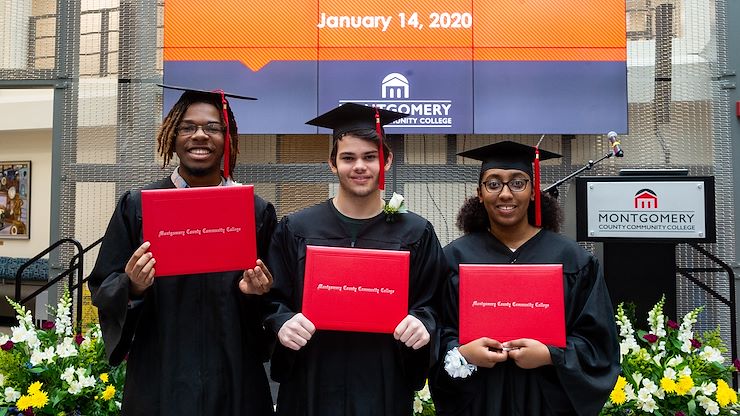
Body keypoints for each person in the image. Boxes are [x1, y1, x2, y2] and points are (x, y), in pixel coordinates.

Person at [88, 86, 277, 415]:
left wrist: (257, 292)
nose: (200, 136)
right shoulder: (138, 207)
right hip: (161, 375)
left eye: (212, 128)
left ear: (227, 137)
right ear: (172, 136)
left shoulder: (255, 212)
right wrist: (132, 285)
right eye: (188, 127)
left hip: (233, 376)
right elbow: (102, 286)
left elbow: (276, 301)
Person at [263, 103, 447, 415]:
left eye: (369, 157)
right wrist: (281, 322)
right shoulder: (297, 228)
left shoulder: (416, 232)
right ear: (332, 164)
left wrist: (422, 322)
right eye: (348, 158)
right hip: (312, 377)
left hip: (383, 379)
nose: (359, 166)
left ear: (386, 161)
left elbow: (435, 301)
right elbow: (272, 298)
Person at [429, 141, 620, 415]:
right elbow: (437, 329)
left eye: (518, 183)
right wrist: (464, 353)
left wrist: (550, 355)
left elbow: (599, 343)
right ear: (479, 194)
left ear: (533, 192)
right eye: (493, 184)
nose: (505, 194)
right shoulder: (454, 258)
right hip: (479, 401)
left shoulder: (572, 260)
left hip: (546, 402)